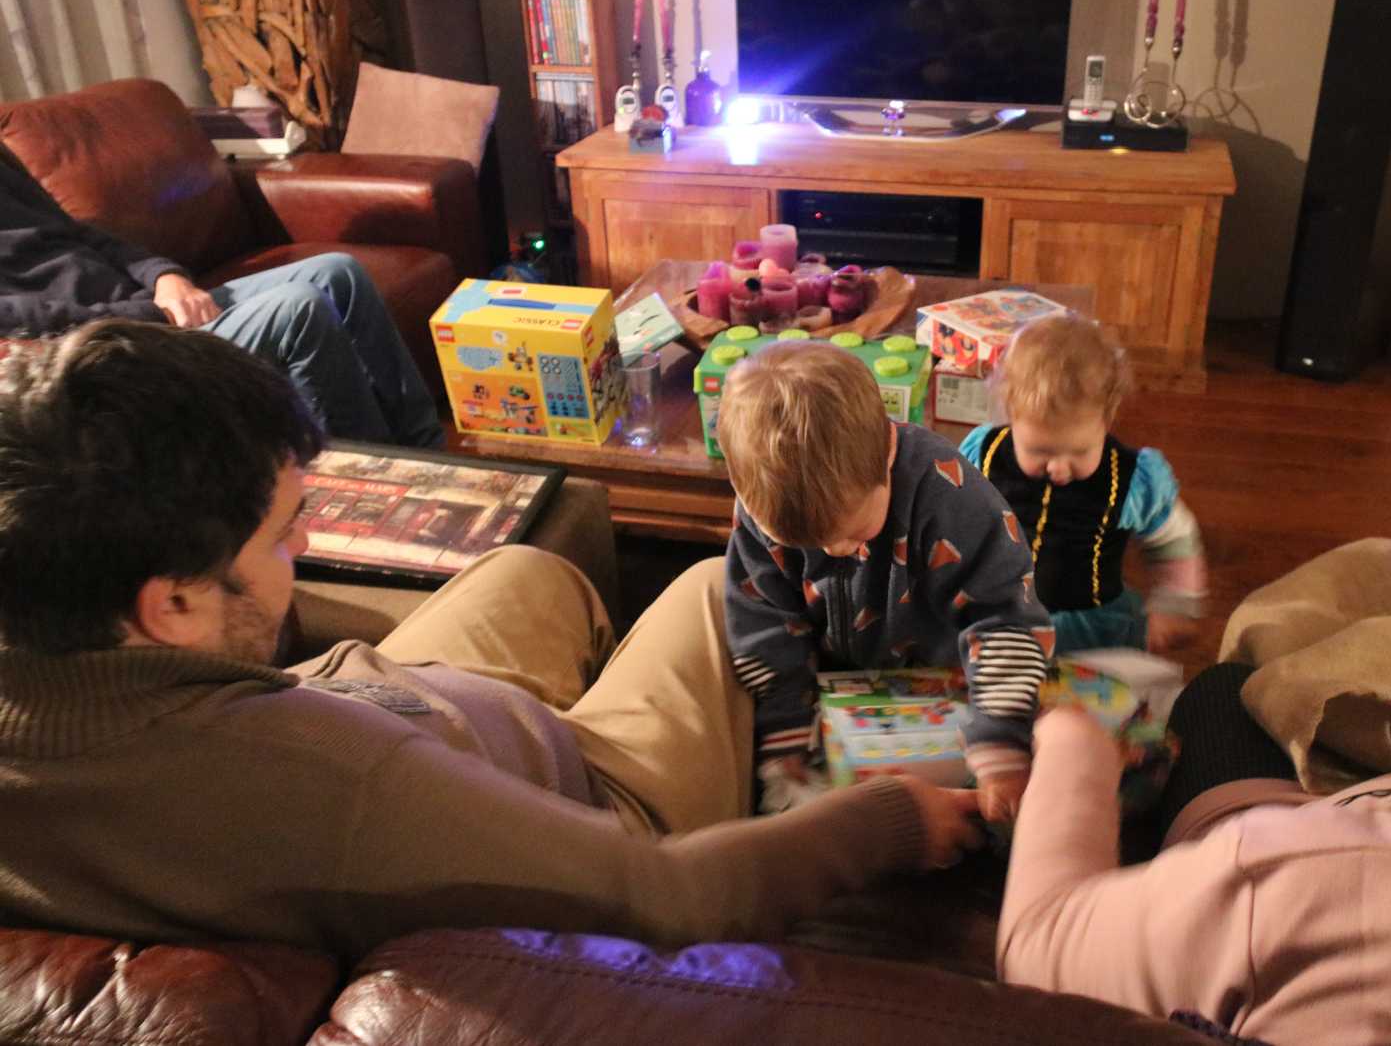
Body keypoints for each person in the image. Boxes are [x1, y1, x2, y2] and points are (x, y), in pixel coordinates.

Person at [0, 319, 983, 962]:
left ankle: (619, 682)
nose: (302, 548)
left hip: (390, 697)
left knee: (526, 571)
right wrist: (890, 819)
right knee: (711, 590)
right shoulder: (324, 782)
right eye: (282, 534)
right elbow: (676, 896)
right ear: (170, 602)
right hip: (567, 788)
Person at [997, 428, 1391, 1044]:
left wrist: (1074, 749)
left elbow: (1037, 953)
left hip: (1276, 888)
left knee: (1223, 694)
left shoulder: (1288, 885)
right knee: (1229, 694)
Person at [716, 340, 1053, 824]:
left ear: (888, 455)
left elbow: (1004, 617)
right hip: (837, 702)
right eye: (807, 543)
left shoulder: (954, 498)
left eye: (854, 533)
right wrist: (785, 733)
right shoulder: (762, 504)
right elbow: (763, 620)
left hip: (953, 693)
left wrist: (1001, 742)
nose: (835, 551)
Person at [0, 149, 442, 447]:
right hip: (103, 350)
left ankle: (428, 448)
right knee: (298, 309)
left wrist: (165, 275)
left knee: (337, 272)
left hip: (151, 311)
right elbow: (27, 321)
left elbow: (82, 234)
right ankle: (374, 477)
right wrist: (151, 311)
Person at [958, 316, 1205, 654]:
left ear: (1107, 418)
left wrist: (1173, 605)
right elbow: (950, 518)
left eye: (1080, 452)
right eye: (1039, 451)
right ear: (1011, 416)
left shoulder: (1131, 479)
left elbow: (1174, 540)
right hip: (997, 617)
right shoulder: (983, 455)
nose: (1059, 469)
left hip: (1091, 628)